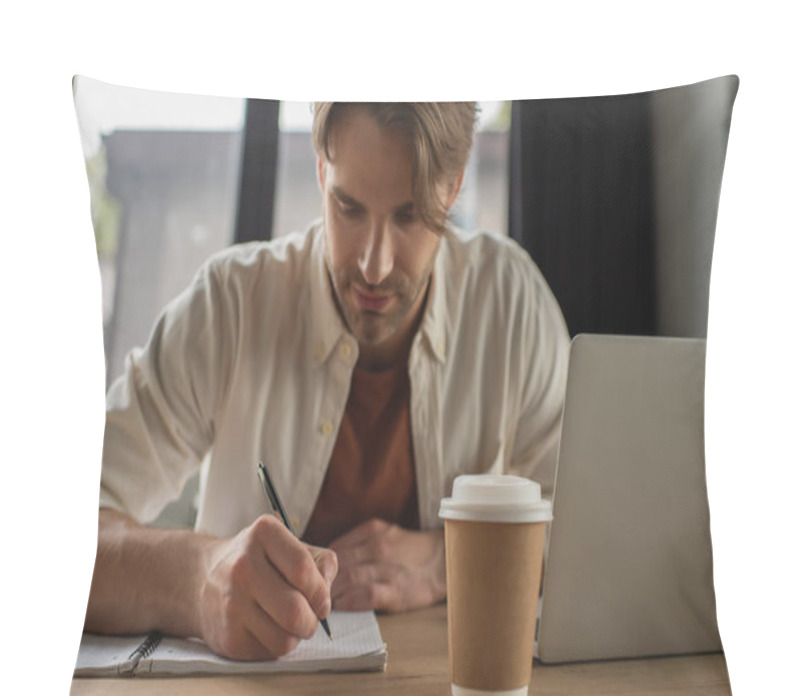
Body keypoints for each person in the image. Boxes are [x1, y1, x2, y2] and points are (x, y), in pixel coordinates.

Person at [86, 102, 570, 661]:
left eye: (409, 216)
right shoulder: (229, 306)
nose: (373, 265)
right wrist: (197, 580)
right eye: (348, 207)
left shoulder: (511, 304)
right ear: (321, 169)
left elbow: (589, 535)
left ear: (454, 187)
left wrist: (449, 562)